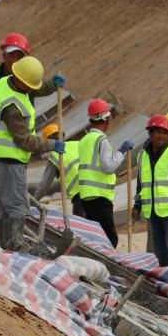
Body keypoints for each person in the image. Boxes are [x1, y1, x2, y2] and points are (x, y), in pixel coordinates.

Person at [0, 56, 65, 251]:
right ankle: (15, 245)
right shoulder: (12, 108)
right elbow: (25, 141)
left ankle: (6, 243)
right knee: (17, 207)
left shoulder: (6, 83)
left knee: (5, 206)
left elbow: (33, 89)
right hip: (8, 161)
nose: (31, 89)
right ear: (21, 81)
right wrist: (52, 144)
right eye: (29, 85)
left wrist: (51, 86)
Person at [0, 33, 62, 178]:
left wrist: (52, 85)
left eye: (19, 56)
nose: (14, 59)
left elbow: (38, 89)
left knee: (6, 183)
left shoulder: (25, 80)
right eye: (11, 55)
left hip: (8, 145)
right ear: (4, 55)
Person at [55, 99, 130, 245]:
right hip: (101, 196)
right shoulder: (102, 140)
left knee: (94, 236)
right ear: (106, 120)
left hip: (86, 196)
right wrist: (122, 151)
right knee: (110, 239)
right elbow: (109, 167)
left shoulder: (84, 140)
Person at [132, 114, 168, 268]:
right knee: (159, 252)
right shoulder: (142, 156)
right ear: (150, 133)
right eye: (158, 132)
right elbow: (141, 183)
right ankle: (165, 281)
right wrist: (137, 205)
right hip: (152, 211)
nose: (161, 136)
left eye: (165, 133)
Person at [37, 121, 83, 218]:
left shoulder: (55, 156)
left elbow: (44, 185)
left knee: (82, 225)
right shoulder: (76, 144)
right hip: (98, 189)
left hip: (81, 194)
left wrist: (33, 200)